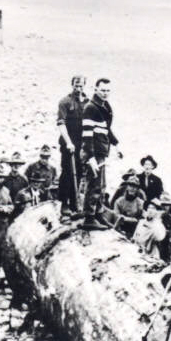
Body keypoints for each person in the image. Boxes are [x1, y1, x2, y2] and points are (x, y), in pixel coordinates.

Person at [81, 77, 119, 229]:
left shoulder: (105, 106)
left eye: (108, 90)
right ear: (95, 89)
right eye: (102, 90)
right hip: (93, 151)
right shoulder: (91, 108)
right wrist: (90, 157)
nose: (105, 93)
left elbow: (106, 129)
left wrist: (115, 144)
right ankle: (89, 218)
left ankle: (98, 213)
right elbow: (87, 134)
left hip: (102, 151)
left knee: (102, 185)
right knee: (94, 185)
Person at [56, 75, 90, 217]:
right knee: (68, 172)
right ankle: (64, 203)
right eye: (76, 85)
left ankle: (75, 203)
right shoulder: (65, 102)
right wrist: (68, 142)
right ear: (72, 85)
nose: (78, 88)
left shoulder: (88, 103)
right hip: (69, 142)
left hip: (83, 143)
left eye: (81, 85)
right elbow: (61, 123)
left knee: (80, 173)